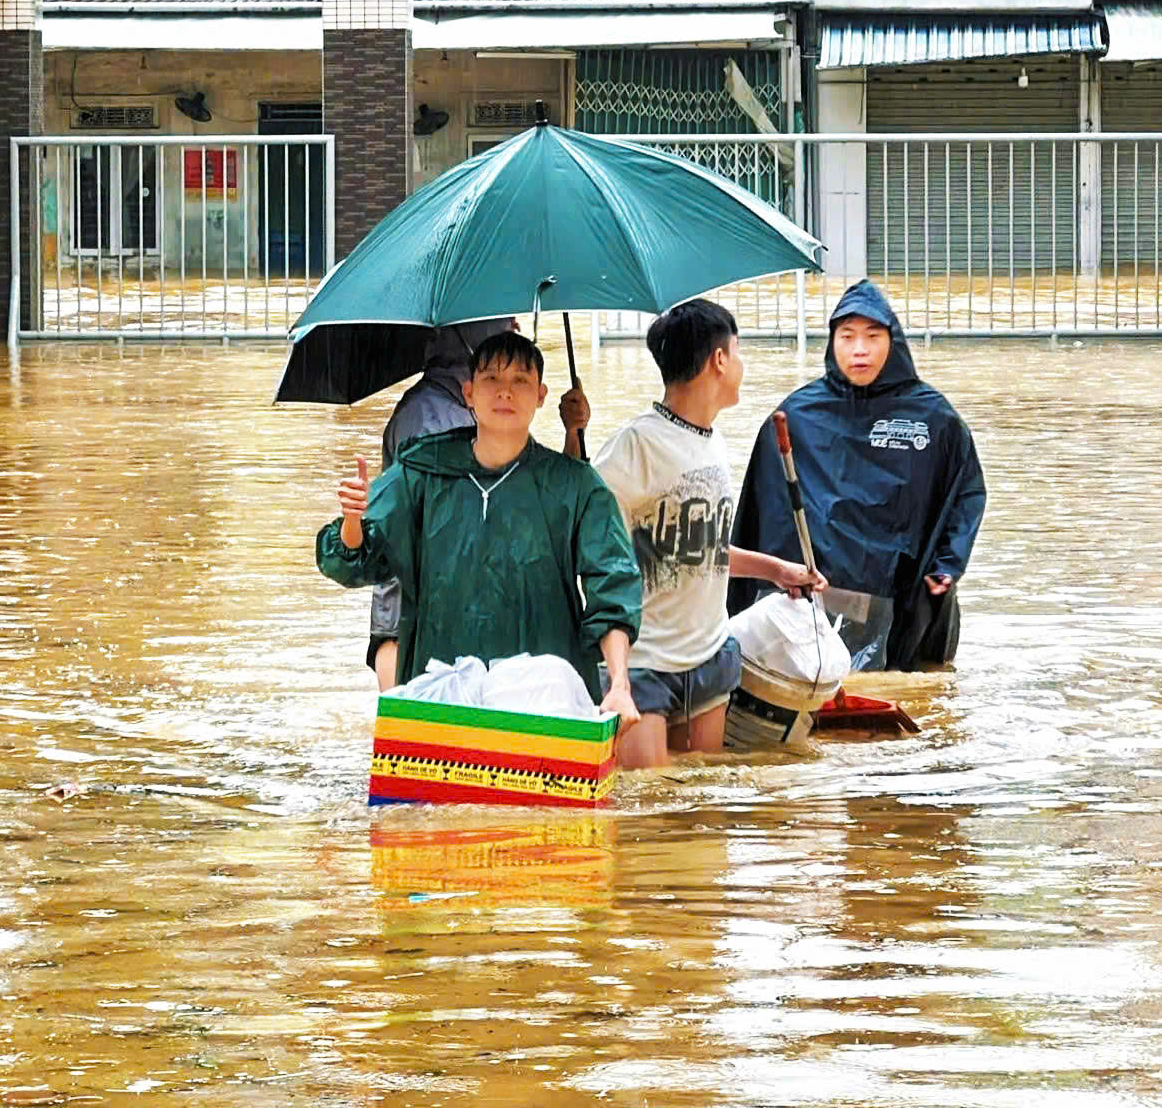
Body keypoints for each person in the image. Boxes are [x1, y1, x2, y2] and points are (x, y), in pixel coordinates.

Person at [318, 331, 642, 721]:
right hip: (440, 690)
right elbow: (356, 561)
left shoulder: (575, 484)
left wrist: (620, 686)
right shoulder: (421, 471)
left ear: (540, 395)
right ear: (469, 392)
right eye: (492, 379)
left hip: (547, 702)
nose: (505, 392)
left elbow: (612, 584)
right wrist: (353, 521)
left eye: (520, 380)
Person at [577, 299, 825, 769]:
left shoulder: (714, 441)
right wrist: (575, 437)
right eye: (738, 350)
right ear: (719, 359)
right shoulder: (635, 446)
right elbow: (586, 534)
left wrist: (776, 570)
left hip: (708, 656)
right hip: (644, 662)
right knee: (649, 812)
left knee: (700, 809)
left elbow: (701, 549)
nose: (741, 364)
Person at [730, 280, 985, 672]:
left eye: (872, 336)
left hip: (899, 601)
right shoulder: (795, 417)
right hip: (812, 599)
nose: (859, 349)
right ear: (833, 342)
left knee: (907, 701)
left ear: (893, 340)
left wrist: (948, 564)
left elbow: (965, 494)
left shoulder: (934, 420)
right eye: (847, 336)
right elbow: (763, 515)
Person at [365, 318, 513, 691]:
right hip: (416, 569)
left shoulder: (465, 406)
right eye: (502, 324)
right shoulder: (427, 415)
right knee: (398, 635)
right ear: (470, 339)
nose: (514, 325)